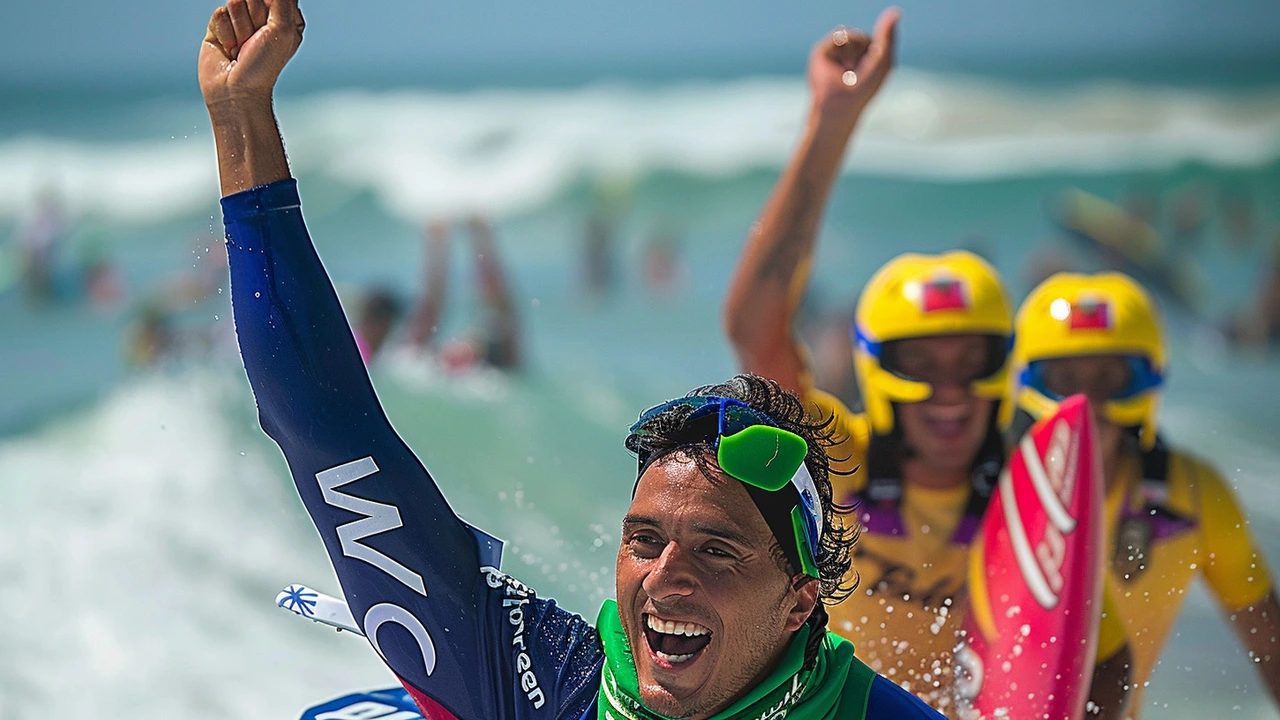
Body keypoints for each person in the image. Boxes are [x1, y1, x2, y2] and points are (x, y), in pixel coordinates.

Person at [198, 1, 945, 717]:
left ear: (798, 602)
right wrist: (242, 116)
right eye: (644, 540)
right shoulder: (551, 690)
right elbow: (326, 426)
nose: (666, 577)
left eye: (718, 550)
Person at [722, 11, 1131, 716]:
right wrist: (831, 120)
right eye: (921, 365)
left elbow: (1104, 651)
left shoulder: (1031, 496)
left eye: (971, 362)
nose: (950, 392)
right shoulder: (840, 459)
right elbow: (756, 330)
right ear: (880, 372)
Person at [1004, 271, 1280, 718]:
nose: (1087, 402)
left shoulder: (1193, 494)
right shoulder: (988, 486)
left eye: (1111, 376)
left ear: (1147, 379)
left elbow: (1272, 647)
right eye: (1065, 377)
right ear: (1027, 383)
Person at [405, 217, 522, 372]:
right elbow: (506, 319)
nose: (456, 342)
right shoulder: (501, 369)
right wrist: (480, 234)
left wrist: (436, 241)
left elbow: (427, 317)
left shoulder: (413, 363)